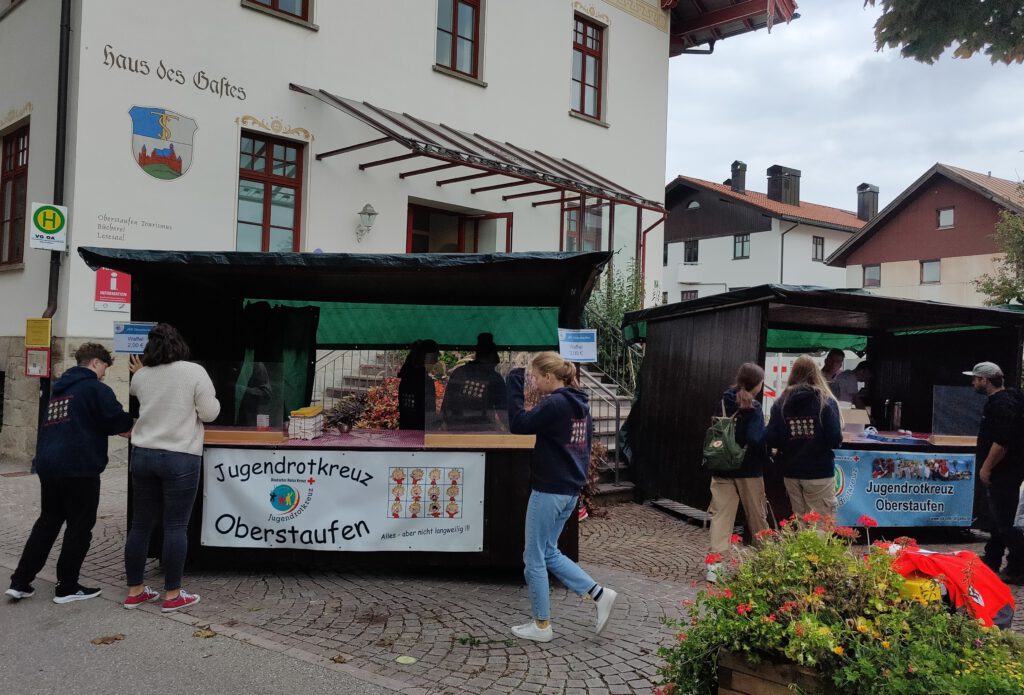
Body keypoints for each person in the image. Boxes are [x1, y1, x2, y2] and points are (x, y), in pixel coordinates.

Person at [6, 344, 133, 603]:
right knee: (80, 526)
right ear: (96, 363)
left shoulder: (58, 391)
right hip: (80, 467)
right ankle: (67, 586)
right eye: (105, 368)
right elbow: (119, 423)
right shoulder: (95, 389)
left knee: (48, 522)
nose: (105, 375)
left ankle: (20, 582)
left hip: (49, 466)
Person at [506, 352, 616, 642]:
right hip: (567, 489)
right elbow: (586, 445)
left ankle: (542, 625)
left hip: (549, 490)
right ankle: (599, 594)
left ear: (549, 377)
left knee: (533, 558)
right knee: (548, 552)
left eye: (535, 376)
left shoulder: (555, 403)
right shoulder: (578, 403)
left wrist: (515, 380)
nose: (533, 380)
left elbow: (518, 424)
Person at [123, 323, 220, 611]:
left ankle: (135, 590)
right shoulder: (194, 372)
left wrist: (141, 372)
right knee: (176, 526)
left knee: (140, 525)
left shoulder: (140, 376)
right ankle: (172, 595)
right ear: (180, 345)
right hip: (181, 456)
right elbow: (210, 413)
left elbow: (143, 396)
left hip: (143, 455)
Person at [706, 363, 770, 583]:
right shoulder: (753, 406)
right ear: (757, 384)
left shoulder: (723, 401)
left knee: (721, 516)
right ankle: (766, 560)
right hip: (749, 470)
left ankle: (715, 566)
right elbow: (755, 438)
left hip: (722, 467)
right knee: (756, 516)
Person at [966, 361, 1024, 584]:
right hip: (1011, 469)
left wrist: (986, 467)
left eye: (975, 378)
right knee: (998, 518)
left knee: (1004, 521)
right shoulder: (1012, 398)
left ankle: (1019, 565)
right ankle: (992, 558)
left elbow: (1001, 443)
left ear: (985, 380)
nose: (973, 382)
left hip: (1004, 471)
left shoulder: (1000, 405)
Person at [767, 355, 843, 517]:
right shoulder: (826, 402)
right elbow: (835, 439)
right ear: (816, 374)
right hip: (819, 470)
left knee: (800, 520)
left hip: (791, 471)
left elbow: (772, 437)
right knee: (822, 522)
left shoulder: (781, 403)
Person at [441, 332, 507, 430]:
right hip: (483, 432)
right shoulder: (494, 379)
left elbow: (445, 410)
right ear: (491, 358)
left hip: (456, 430)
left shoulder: (459, 373)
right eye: (495, 358)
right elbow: (504, 414)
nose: (497, 361)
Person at [397, 339, 439, 430]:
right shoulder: (425, 381)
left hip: (405, 430)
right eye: (434, 357)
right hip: (421, 433)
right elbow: (429, 413)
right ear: (426, 357)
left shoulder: (406, 377)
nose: (436, 361)